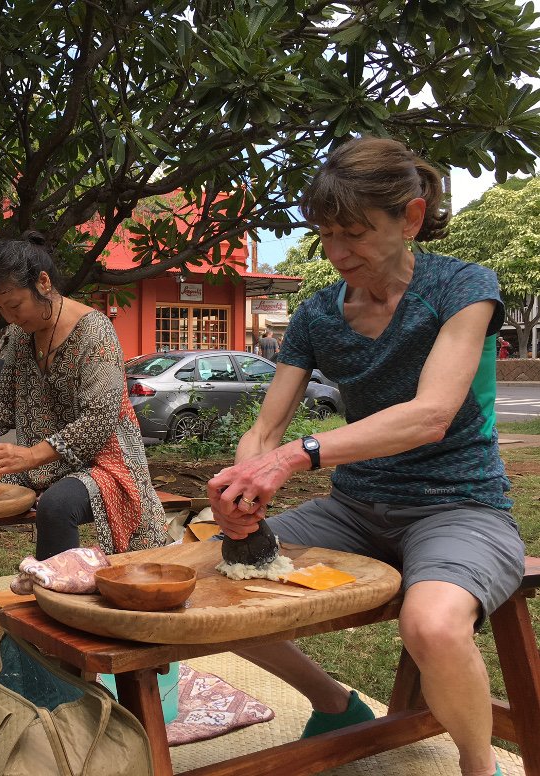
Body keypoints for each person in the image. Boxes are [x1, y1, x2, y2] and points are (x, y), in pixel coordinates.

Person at [207, 137, 523, 776]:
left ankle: (476, 765)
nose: (336, 253)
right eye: (325, 234)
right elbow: (267, 430)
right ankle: (333, 701)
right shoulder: (318, 314)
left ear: (410, 217)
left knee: (432, 627)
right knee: (207, 583)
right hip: (354, 510)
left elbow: (431, 415)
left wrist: (298, 456)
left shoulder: (462, 286)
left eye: (354, 233)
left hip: (460, 506)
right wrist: (242, 485)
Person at [0, 231, 169, 610]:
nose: (8, 317)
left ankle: (57, 612)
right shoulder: (24, 338)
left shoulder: (95, 331)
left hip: (106, 465)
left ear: (44, 283)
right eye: (0, 309)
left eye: (14, 306)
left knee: (57, 505)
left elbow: (99, 419)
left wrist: (31, 455)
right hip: (40, 460)